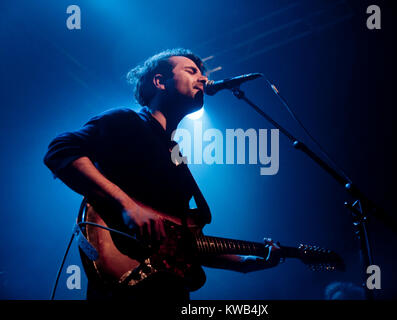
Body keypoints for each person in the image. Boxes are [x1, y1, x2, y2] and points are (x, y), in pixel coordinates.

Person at [44, 48, 281, 300]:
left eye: (202, 73)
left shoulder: (176, 154)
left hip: (168, 288)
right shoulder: (125, 120)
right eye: (191, 71)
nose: (202, 78)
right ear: (159, 82)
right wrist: (127, 206)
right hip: (124, 282)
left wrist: (245, 262)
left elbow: (181, 241)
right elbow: (60, 150)